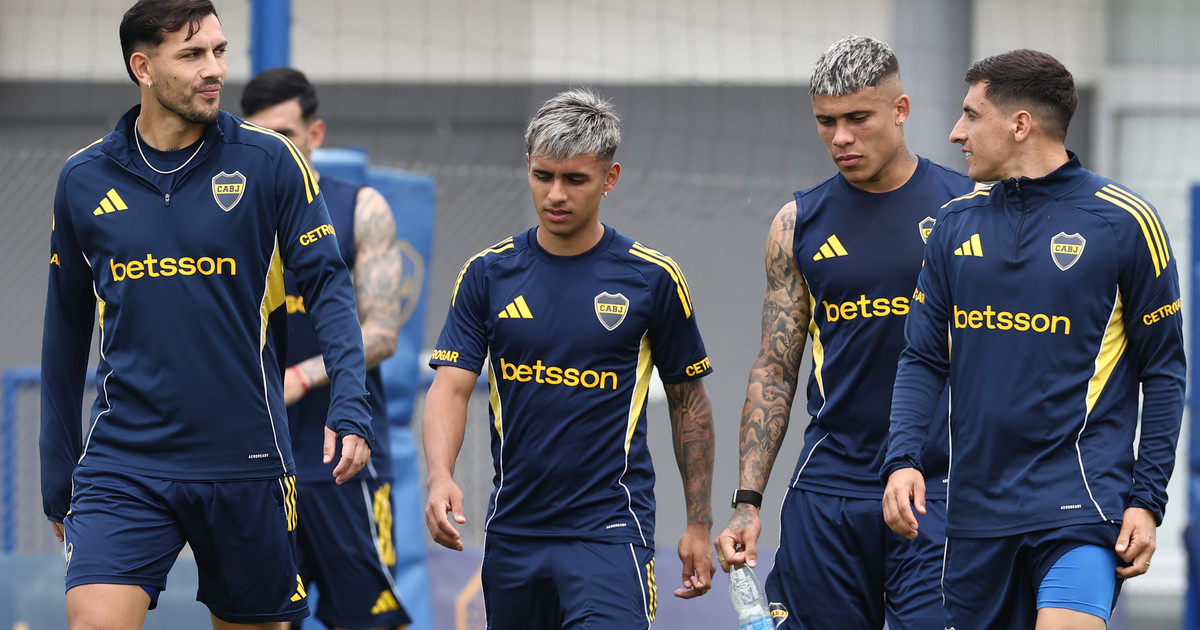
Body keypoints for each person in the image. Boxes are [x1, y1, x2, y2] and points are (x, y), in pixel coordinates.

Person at [40, 2, 375, 628]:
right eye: (192, 54)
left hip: (247, 458)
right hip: (124, 460)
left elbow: (329, 284)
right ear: (143, 67)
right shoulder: (82, 179)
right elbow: (64, 331)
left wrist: (349, 400)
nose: (214, 69)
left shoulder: (270, 160)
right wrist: (58, 466)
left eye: (219, 51)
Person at [882, 49, 1186, 630]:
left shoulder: (1126, 222)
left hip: (1080, 504)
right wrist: (902, 460)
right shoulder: (953, 225)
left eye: (972, 115)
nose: (955, 133)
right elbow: (922, 358)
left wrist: (1147, 500)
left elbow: (1165, 372)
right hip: (974, 516)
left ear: (1020, 124)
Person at [422, 87, 717, 629]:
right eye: (543, 176)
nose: (555, 194)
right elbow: (450, 388)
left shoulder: (652, 278)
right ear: (528, 166)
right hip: (513, 532)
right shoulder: (486, 274)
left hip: (610, 534)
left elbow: (689, 405)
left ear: (610, 177)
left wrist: (699, 523)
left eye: (575, 179)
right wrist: (440, 476)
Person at [712, 35, 973, 629]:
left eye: (858, 118)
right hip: (830, 487)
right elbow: (775, 368)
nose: (841, 138)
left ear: (900, 110)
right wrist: (747, 502)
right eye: (826, 122)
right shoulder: (797, 224)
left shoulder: (967, 210)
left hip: (939, 486)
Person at [241, 68, 410, 630]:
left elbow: (382, 334)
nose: (274, 149)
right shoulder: (230, 218)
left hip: (346, 460)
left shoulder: (360, 207)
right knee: (261, 620)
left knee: (369, 622)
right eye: (261, 136)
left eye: (286, 135)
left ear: (315, 134)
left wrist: (301, 376)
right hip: (260, 463)